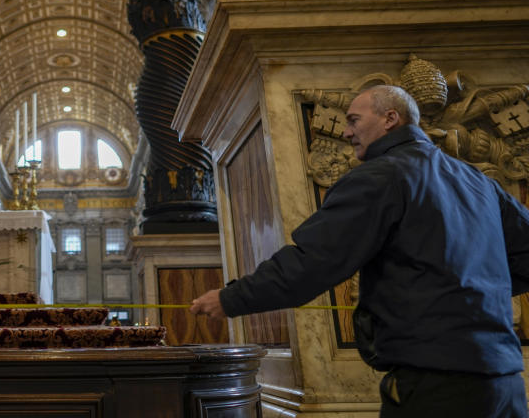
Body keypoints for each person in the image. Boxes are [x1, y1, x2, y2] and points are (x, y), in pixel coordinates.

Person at [190, 85, 529, 417]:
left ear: (390, 119)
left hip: (435, 385)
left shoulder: (381, 176)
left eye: (354, 120)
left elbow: (313, 262)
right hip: (504, 382)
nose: (348, 131)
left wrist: (230, 298)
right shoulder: (478, 181)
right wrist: (470, 288)